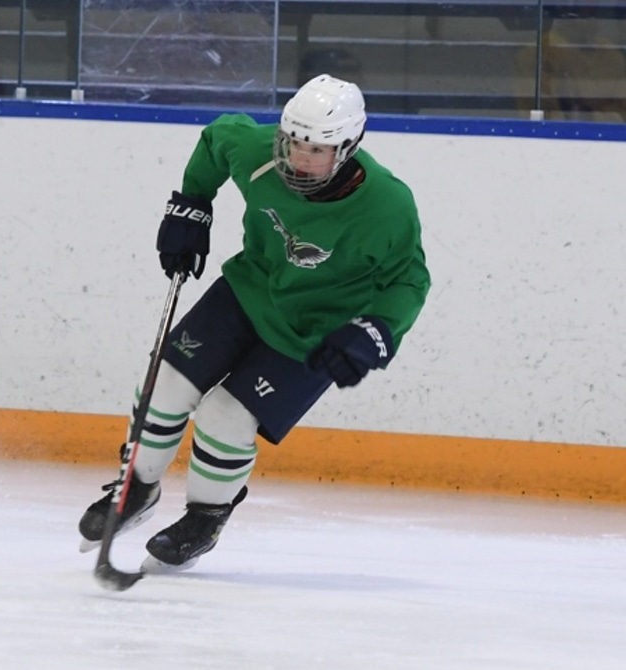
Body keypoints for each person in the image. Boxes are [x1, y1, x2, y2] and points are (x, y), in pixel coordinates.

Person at [77, 74, 430, 572]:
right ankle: (136, 487)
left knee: (225, 414)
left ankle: (204, 518)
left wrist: (376, 330)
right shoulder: (259, 151)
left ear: (348, 148)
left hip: (315, 331)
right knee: (166, 385)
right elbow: (218, 137)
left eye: (316, 150)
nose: (299, 158)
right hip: (247, 291)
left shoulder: (388, 206)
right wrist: (193, 205)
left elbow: (409, 282)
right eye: (293, 143)